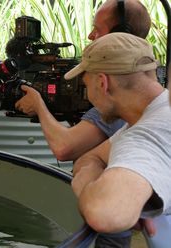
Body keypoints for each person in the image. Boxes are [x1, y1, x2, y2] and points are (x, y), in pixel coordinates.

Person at [65, 32, 171, 242]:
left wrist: (85, 183)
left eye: (86, 85)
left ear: (102, 83)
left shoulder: (146, 135)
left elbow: (105, 212)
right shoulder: (152, 115)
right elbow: (91, 158)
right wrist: (139, 201)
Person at [14, 0, 151, 162]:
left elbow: (64, 147)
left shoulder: (119, 95)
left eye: (97, 29)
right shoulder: (141, 83)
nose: (90, 35)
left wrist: (38, 104)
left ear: (119, 34)